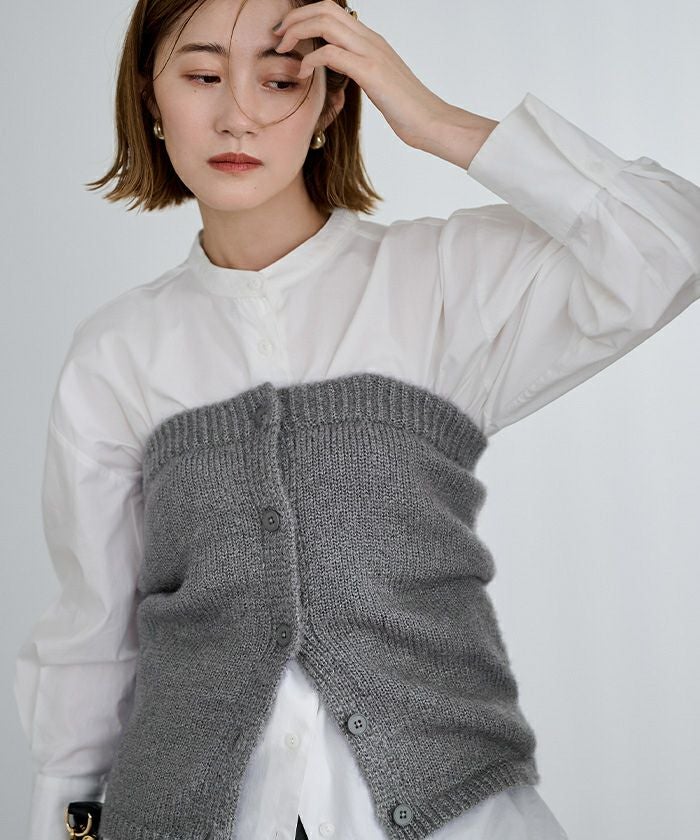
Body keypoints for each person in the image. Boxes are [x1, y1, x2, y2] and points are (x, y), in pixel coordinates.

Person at [13, 1, 700, 839]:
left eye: (280, 80)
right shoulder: (117, 352)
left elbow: (675, 244)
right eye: (201, 76)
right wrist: (65, 821)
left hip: (457, 814)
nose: (237, 114)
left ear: (334, 99)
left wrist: (434, 120)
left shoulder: (441, 282)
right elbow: (93, 634)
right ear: (150, 100)